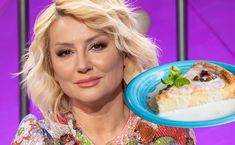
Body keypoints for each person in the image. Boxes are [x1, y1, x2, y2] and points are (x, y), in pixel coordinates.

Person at [12, 0, 196, 144]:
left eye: (97, 46)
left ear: (124, 52)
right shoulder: (38, 140)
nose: (82, 65)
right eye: (65, 52)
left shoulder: (170, 129)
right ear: (51, 67)